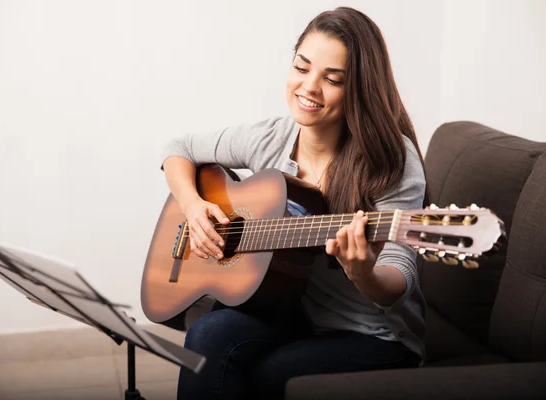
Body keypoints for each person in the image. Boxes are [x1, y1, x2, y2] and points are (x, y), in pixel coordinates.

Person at [160, 6, 428, 399]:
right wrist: (193, 207)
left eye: (332, 79)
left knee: (271, 374)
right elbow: (178, 148)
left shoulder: (391, 160)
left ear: (360, 87)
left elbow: (398, 277)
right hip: (290, 310)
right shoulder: (271, 137)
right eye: (302, 68)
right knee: (207, 332)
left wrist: (363, 273)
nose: (309, 88)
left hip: (372, 334)